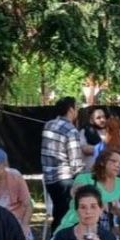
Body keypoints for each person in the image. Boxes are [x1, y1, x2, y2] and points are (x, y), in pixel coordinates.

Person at [57, 149, 120, 233]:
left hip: (107, 233)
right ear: (102, 162)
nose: (118, 165)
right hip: (74, 226)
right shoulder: (84, 178)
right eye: (114, 161)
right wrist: (106, 205)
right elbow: (77, 193)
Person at [41, 96, 85, 233]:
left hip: (49, 179)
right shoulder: (71, 130)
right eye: (76, 108)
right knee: (66, 216)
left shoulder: (48, 125)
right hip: (65, 179)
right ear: (71, 109)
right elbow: (75, 160)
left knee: (57, 212)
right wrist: (81, 179)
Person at [0, 148, 34, 240]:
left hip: (15, 221)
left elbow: (28, 205)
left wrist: (24, 225)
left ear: (4, 164)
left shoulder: (15, 176)